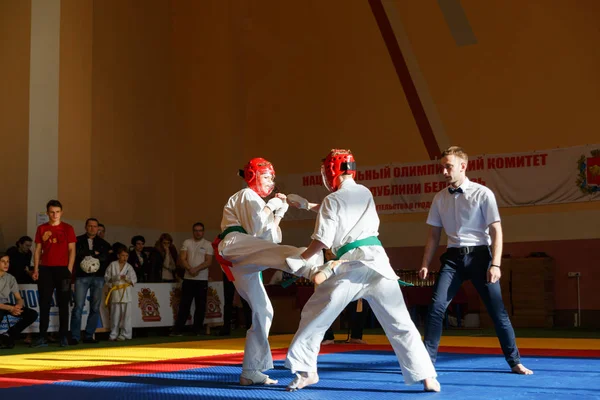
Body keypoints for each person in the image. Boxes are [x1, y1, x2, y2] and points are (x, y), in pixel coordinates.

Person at [284, 149, 439, 392]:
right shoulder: (364, 192)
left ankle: (305, 371)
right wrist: (307, 205)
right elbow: (339, 208)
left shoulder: (332, 200)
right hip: (379, 264)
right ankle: (427, 376)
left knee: (314, 314)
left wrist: (297, 258)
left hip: (351, 268)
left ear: (330, 171)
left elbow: (322, 240)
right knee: (400, 322)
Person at [419, 146, 533, 375]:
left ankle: (515, 361)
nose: (444, 171)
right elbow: (433, 235)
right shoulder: (439, 198)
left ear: (463, 166)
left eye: (448, 166)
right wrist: (424, 263)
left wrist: (496, 264)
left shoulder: (483, 193)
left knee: (497, 311)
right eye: (442, 167)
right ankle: (426, 363)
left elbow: (496, 231)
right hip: (452, 259)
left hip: (480, 256)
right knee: (436, 308)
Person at [213, 157, 322, 386]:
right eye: (265, 176)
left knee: (264, 311)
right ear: (253, 177)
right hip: (235, 245)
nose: (270, 181)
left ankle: (251, 371)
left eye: (272, 177)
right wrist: (271, 206)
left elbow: (270, 237)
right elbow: (255, 229)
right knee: (283, 252)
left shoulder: (260, 203)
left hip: (249, 258)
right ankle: (313, 268)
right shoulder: (245, 195)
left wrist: (279, 212)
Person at [31, 199, 77, 348]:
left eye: (57, 212)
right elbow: (37, 250)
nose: (54, 214)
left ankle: (63, 336)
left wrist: (69, 270)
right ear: (47, 213)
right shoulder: (41, 228)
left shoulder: (68, 228)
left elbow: (72, 250)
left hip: (63, 270)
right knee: (44, 303)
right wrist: (36, 269)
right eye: (52, 212)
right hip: (45, 270)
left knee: (64, 304)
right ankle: (42, 336)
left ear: (61, 212)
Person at [70, 218, 112, 345]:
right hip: (81, 278)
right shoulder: (77, 240)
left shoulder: (104, 243)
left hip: (98, 278)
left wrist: (92, 254)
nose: (92, 228)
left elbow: (105, 257)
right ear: (85, 227)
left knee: (94, 307)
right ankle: (75, 337)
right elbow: (76, 254)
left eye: (95, 226)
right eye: (90, 226)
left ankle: (89, 335)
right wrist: (94, 253)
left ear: (98, 228)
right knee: (78, 307)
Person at [171, 222, 213, 336]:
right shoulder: (187, 242)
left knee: (200, 306)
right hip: (188, 279)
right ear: (193, 231)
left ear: (203, 232)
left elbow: (208, 261)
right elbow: (182, 258)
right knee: (184, 304)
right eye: (196, 230)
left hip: (202, 279)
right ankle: (178, 329)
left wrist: (196, 269)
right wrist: (190, 269)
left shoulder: (208, 244)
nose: (198, 232)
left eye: (200, 230)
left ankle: (197, 329)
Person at [0, 253, 38, 349]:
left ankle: (8, 335)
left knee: (32, 314)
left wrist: (18, 307)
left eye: (8, 262)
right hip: (3, 306)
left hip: (5, 304)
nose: (6, 264)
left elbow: (19, 298)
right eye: (3, 262)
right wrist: (10, 308)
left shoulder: (10, 278)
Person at [104, 245, 137, 341]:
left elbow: (134, 280)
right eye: (123, 255)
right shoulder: (112, 265)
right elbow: (107, 278)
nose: (125, 258)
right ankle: (113, 334)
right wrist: (116, 278)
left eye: (126, 256)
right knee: (115, 315)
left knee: (126, 315)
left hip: (126, 292)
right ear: (118, 255)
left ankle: (125, 334)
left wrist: (126, 278)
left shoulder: (129, 267)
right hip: (115, 291)